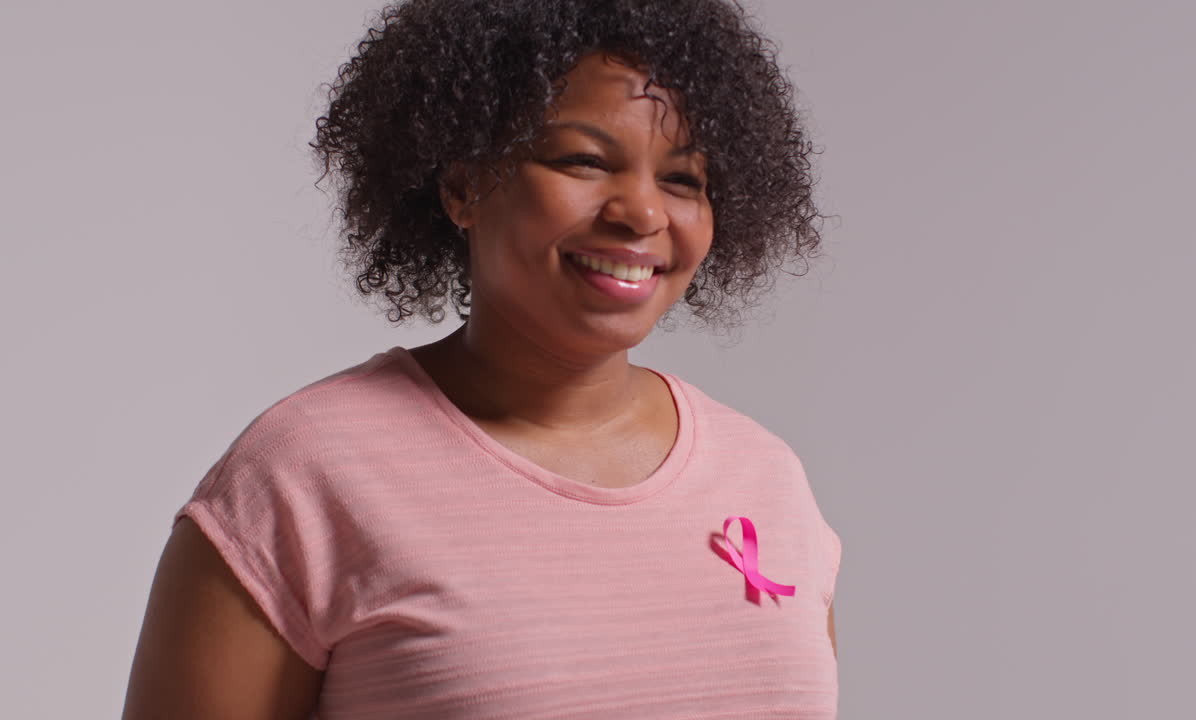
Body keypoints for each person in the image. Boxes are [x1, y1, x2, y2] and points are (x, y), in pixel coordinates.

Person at [123, 0, 841, 717]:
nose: (642, 213)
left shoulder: (764, 475)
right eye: (584, 161)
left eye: (683, 180)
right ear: (464, 186)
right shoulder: (304, 474)